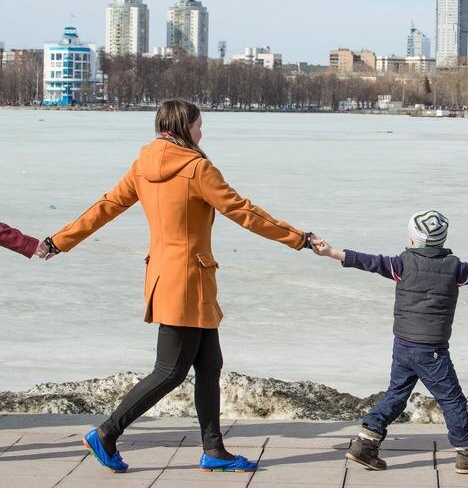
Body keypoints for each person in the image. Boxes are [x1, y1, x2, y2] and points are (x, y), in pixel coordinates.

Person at [42, 99, 315, 474]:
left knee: (209, 366)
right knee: (169, 370)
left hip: (167, 277)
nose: (202, 133)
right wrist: (299, 238)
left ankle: (214, 450)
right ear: (185, 127)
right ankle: (106, 433)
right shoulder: (197, 168)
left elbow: (105, 206)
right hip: (189, 280)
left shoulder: (142, 165)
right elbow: (244, 212)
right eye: (200, 126)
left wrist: (60, 240)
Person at [311, 210, 468, 474]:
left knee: (396, 394)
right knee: (452, 400)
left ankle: (366, 442)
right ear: (442, 240)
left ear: (412, 240)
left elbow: (369, 261)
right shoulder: (456, 268)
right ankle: (467, 453)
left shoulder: (401, 264)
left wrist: (331, 252)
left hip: (403, 345)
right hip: (431, 349)